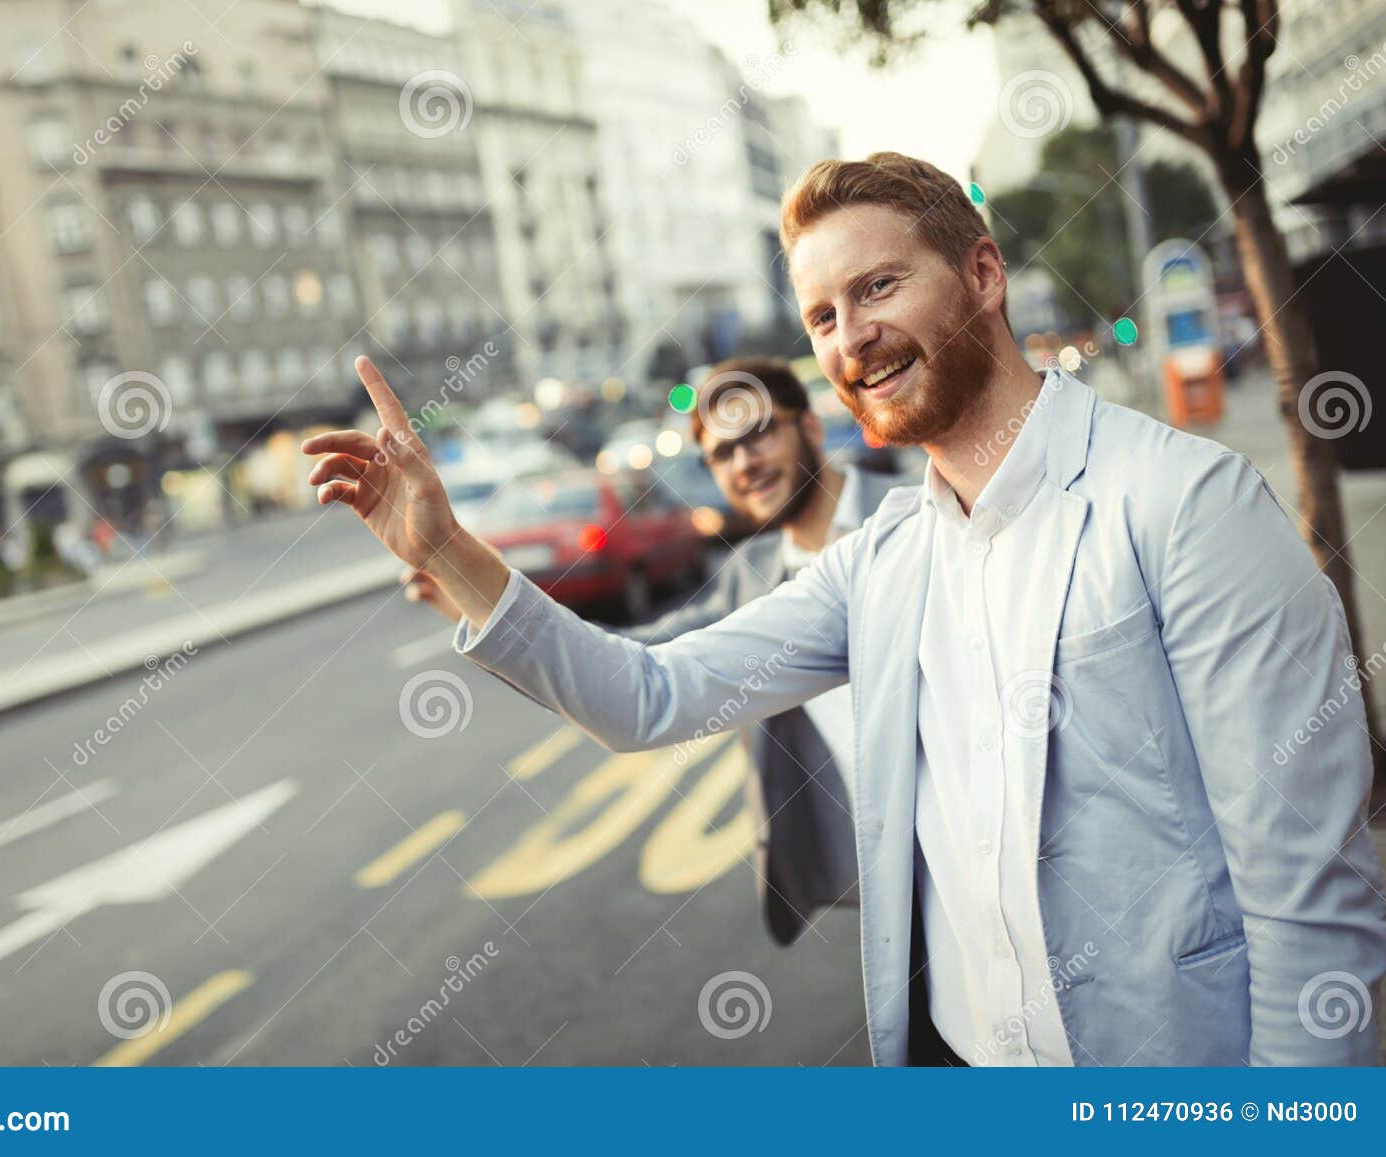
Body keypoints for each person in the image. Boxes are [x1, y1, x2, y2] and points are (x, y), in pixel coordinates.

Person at [302, 151, 1386, 1067]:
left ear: (983, 272)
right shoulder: (880, 563)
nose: (848, 339)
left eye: (876, 289)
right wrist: (447, 550)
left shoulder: (1188, 504)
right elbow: (651, 693)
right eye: (820, 314)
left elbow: (1310, 914)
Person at [403, 356, 908, 945]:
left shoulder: (913, 515)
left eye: (760, 432)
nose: (745, 463)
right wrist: (470, 596)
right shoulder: (750, 577)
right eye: (722, 453)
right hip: (885, 881)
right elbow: (635, 667)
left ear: (812, 427)